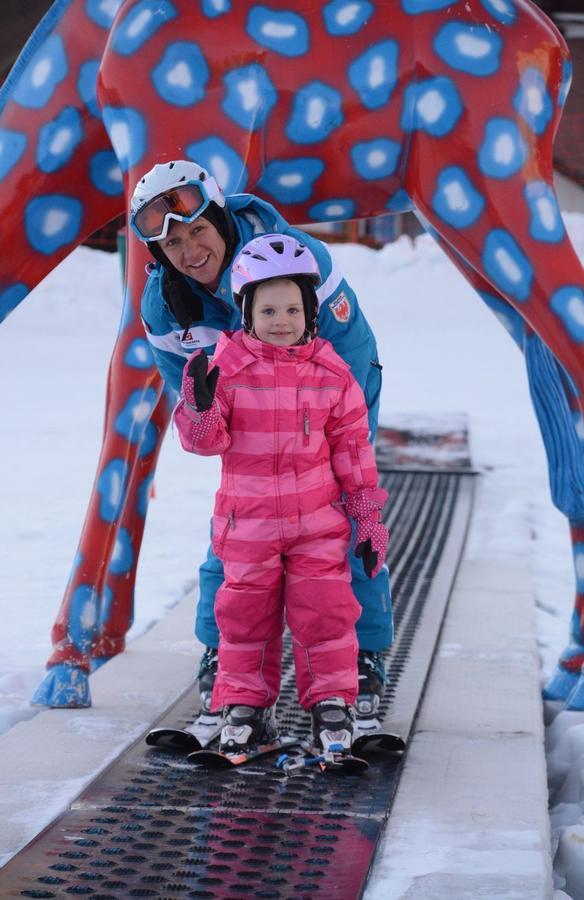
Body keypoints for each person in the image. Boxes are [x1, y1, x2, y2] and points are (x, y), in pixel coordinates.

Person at [130, 159, 392, 718]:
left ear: (220, 219)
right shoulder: (163, 309)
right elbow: (197, 418)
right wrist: (206, 415)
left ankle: (363, 651)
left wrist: (325, 439)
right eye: (173, 242)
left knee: (338, 515)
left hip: (333, 389)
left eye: (197, 229)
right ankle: (223, 650)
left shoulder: (295, 259)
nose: (190, 250)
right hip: (247, 421)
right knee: (239, 526)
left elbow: (346, 362)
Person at [173, 233, 389, 753]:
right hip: (247, 526)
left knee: (327, 614)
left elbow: (353, 452)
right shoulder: (225, 371)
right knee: (245, 619)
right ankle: (246, 708)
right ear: (245, 312)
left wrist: (367, 519)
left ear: (310, 312)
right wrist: (199, 406)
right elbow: (205, 443)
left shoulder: (333, 375)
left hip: (318, 525)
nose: (282, 320)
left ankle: (331, 707)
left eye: (293, 308)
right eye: (268, 309)